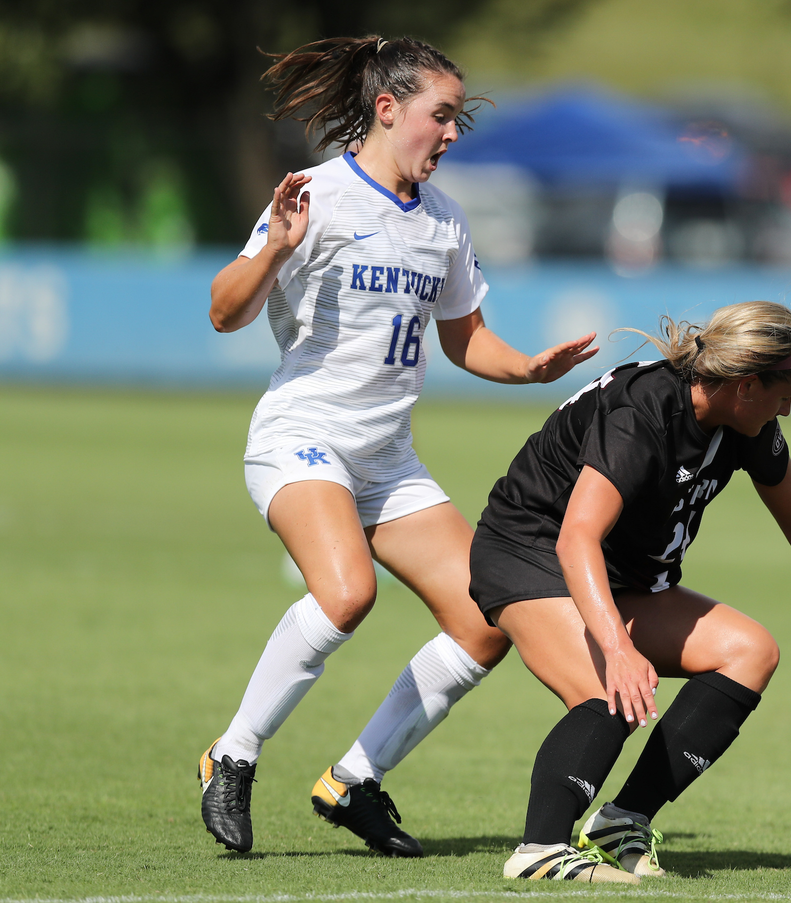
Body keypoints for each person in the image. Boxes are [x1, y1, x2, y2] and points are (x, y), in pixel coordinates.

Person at [198, 35, 597, 856]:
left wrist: (527, 367)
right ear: (389, 110)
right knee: (346, 594)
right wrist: (274, 246)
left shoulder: (443, 223)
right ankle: (231, 754)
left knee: (488, 616)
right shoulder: (313, 196)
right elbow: (224, 310)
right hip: (303, 437)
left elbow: (467, 338)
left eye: (457, 119)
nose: (452, 134)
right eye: (440, 115)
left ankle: (354, 779)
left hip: (386, 459)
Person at [468, 301, 791, 884]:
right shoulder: (643, 411)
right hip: (532, 554)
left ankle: (623, 820)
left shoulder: (746, 421)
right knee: (608, 689)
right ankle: (540, 850)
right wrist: (617, 649)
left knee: (750, 651)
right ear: (746, 384)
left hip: (621, 575)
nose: (788, 409)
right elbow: (577, 539)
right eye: (784, 395)